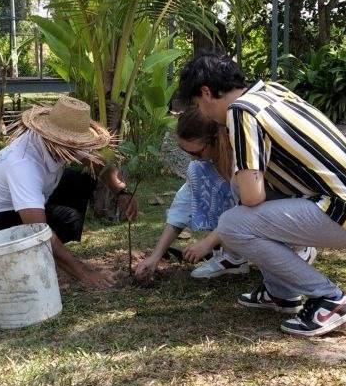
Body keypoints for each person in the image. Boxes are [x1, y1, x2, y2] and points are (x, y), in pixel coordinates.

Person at [175, 53, 346, 337]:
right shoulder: (270, 91)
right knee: (239, 198)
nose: (203, 113)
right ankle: (281, 292)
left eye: (198, 104)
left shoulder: (241, 112)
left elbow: (251, 196)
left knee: (233, 225)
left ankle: (330, 299)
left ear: (207, 93)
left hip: (344, 213)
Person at [0, 95, 139, 290]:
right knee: (41, 232)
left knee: (78, 185)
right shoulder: (23, 164)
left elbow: (98, 162)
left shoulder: (63, 140)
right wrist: (85, 273)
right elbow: (38, 228)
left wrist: (121, 192)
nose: (78, 147)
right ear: (56, 138)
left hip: (25, 207)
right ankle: (40, 258)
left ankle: (48, 255)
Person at [135, 111, 315, 282]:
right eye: (186, 152)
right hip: (249, 220)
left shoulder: (245, 157)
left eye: (196, 153)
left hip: (286, 213)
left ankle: (298, 248)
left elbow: (251, 205)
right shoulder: (203, 168)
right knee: (199, 176)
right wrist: (155, 256)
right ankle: (233, 257)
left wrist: (208, 243)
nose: (193, 158)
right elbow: (181, 209)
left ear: (216, 140)